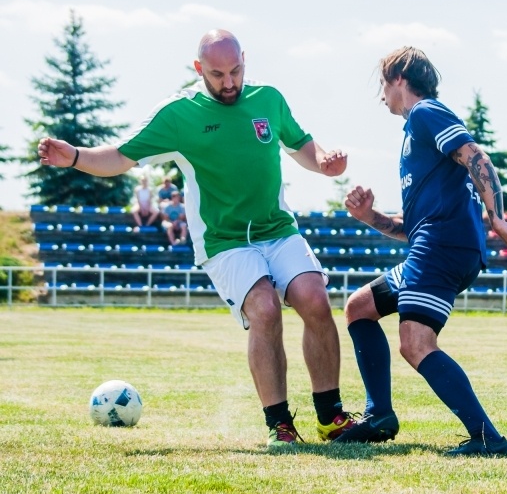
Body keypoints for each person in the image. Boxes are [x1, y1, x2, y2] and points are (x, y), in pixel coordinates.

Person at [37, 29, 356, 449]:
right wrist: (74, 156)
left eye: (236, 71)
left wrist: (325, 163)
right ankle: (280, 425)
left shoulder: (269, 99)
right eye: (218, 74)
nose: (229, 82)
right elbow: (120, 156)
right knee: (264, 308)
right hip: (224, 241)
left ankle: (330, 417)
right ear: (198, 69)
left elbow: (301, 147)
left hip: (277, 229)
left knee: (314, 297)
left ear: (245, 59)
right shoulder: (177, 114)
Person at [334, 46, 507, 456]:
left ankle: (488, 438)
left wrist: (498, 217)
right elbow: (412, 227)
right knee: (360, 306)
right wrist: (370, 216)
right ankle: (380, 416)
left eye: (382, 85)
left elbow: (477, 157)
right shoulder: (413, 134)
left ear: (399, 79)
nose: (380, 95)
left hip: (443, 246)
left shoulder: (426, 113)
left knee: (415, 342)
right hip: (434, 242)